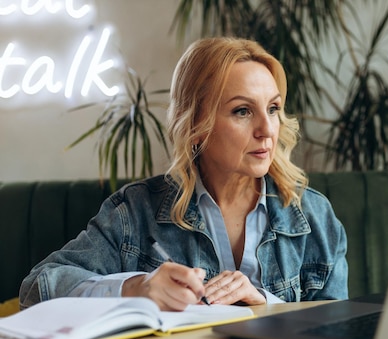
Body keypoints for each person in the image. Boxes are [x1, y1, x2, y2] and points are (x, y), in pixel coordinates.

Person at [19, 37, 348, 311]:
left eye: (273, 108)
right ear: (196, 126)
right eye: (243, 111)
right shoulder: (135, 212)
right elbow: (37, 287)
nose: (267, 129)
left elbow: (337, 330)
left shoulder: (314, 217)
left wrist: (265, 304)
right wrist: (136, 288)